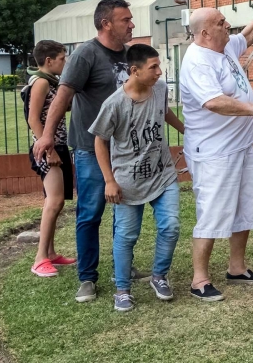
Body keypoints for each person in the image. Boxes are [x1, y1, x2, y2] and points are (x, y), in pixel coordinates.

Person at [32, 0, 138, 303]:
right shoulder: (85, 54)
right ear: (106, 24)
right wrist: (48, 136)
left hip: (125, 148)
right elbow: (62, 96)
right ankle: (88, 278)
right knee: (90, 213)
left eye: (131, 19)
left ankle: (124, 269)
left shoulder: (132, 55)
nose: (131, 24)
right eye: (125, 20)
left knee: (125, 212)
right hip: (90, 148)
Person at [180, 4, 253, 302]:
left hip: (239, 145)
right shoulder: (197, 61)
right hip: (214, 152)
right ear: (204, 33)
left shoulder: (224, 47)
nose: (228, 26)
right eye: (222, 22)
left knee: (246, 209)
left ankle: (237, 267)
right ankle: (199, 279)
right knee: (212, 213)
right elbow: (214, 102)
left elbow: (247, 36)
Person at [90, 45, 185, 312]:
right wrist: (109, 180)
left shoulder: (160, 89)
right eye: (153, 67)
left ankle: (159, 276)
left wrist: (185, 129)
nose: (159, 71)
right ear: (135, 71)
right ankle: (122, 290)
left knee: (171, 226)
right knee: (127, 236)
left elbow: (163, 112)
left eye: (159, 66)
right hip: (128, 182)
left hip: (163, 174)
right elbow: (100, 141)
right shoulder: (115, 104)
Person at [24, 41, 75, 278]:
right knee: (53, 202)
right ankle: (40, 258)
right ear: (49, 60)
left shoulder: (51, 82)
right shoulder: (42, 82)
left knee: (57, 202)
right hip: (48, 149)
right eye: (62, 58)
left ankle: (51, 253)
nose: (65, 62)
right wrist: (48, 149)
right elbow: (34, 118)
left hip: (58, 145)